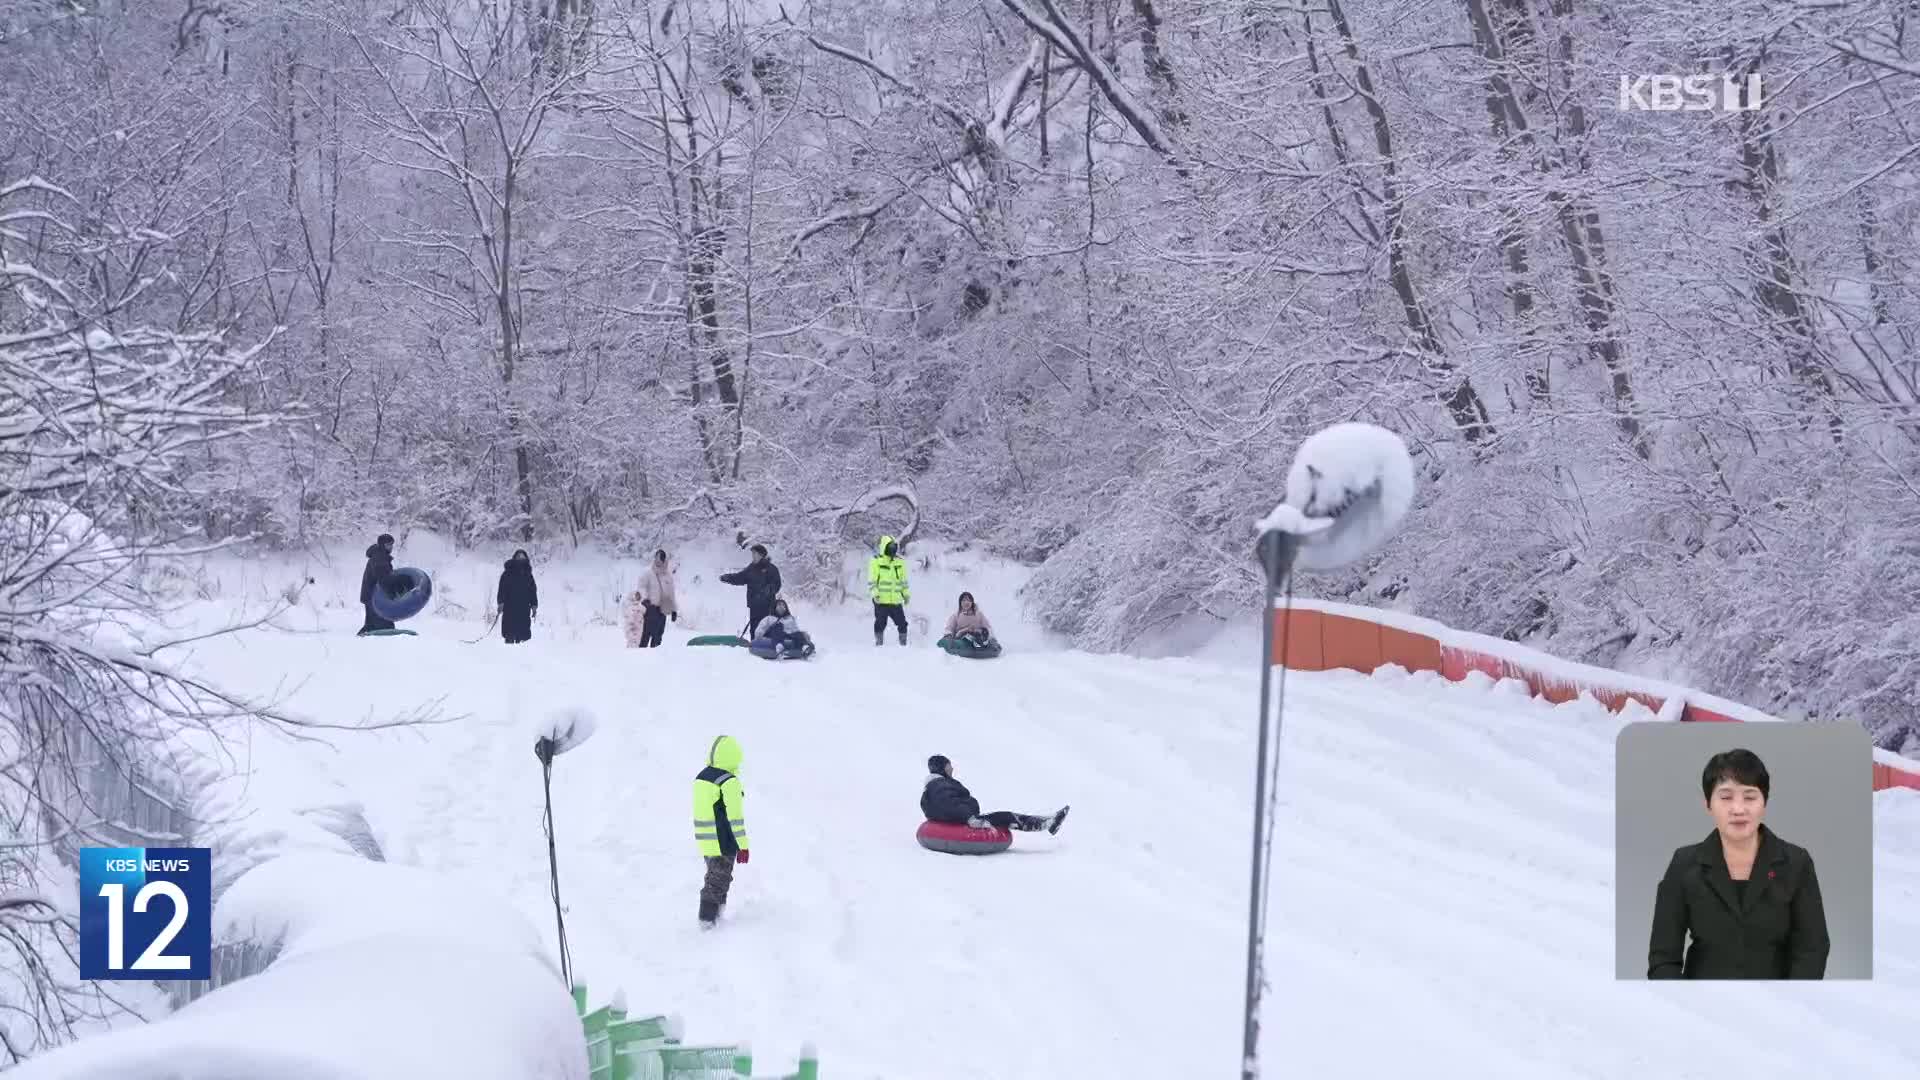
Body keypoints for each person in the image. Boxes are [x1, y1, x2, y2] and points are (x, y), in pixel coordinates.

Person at [1647, 748, 1830, 979]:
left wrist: (1791, 1005)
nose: (1738, 809)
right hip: (1701, 1006)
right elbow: (1663, 958)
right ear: (1708, 804)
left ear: (1764, 802)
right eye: (1726, 797)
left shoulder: (1796, 863)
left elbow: (1813, 949)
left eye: (1750, 797)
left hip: (1778, 1005)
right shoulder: (1684, 864)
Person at [921, 755, 1067, 835]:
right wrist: (969, 818)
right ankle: (1047, 823)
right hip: (964, 821)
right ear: (942, 768)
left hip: (962, 819)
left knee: (1004, 816)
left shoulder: (935, 786)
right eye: (948, 765)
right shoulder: (939, 785)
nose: (951, 768)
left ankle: (1047, 822)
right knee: (1005, 817)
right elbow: (948, 804)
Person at [692, 735, 750, 928]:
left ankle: (716, 919)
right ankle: (707, 924)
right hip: (723, 840)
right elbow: (735, 817)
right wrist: (743, 846)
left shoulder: (702, 777)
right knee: (718, 880)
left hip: (705, 839)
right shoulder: (728, 781)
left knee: (717, 877)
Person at [719, 543, 781, 639]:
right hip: (754, 605)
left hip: (768, 606)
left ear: (761, 555)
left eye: (754, 554)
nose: (753, 556)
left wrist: (768, 591)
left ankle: (768, 649)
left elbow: (777, 584)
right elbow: (740, 577)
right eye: (752, 554)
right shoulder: (751, 569)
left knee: (766, 628)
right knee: (754, 629)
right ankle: (754, 647)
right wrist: (727, 578)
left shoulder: (771, 569)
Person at [626, 548, 678, 648]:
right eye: (656, 559)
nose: (658, 562)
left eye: (660, 560)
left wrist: (674, 610)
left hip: (663, 610)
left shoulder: (668, 576)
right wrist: (645, 600)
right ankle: (640, 656)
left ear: (664, 561)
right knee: (645, 635)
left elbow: (671, 594)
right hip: (650, 608)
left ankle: (655, 659)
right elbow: (641, 587)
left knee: (658, 637)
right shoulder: (647, 572)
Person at [869, 534, 910, 646]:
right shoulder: (877, 561)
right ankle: (879, 644)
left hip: (896, 601)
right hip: (881, 601)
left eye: (894, 546)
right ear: (884, 547)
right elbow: (872, 581)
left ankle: (903, 645)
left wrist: (906, 595)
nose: (893, 549)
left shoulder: (900, 562)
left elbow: (903, 581)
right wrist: (875, 594)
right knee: (880, 623)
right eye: (890, 546)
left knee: (902, 623)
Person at [357, 533, 396, 635]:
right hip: (374, 596)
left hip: (371, 595)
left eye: (391, 544)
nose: (391, 547)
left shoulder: (378, 555)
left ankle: (362, 637)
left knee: (371, 625)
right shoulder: (380, 558)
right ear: (382, 545)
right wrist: (393, 592)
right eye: (388, 545)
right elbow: (383, 579)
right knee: (385, 625)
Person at [497, 549, 538, 644]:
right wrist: (500, 603)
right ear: (514, 558)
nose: (521, 558)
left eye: (523, 557)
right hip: (509, 607)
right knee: (509, 632)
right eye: (519, 556)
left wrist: (534, 606)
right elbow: (501, 589)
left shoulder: (528, 575)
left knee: (523, 635)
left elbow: (533, 591)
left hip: (524, 608)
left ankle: (522, 650)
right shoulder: (507, 573)